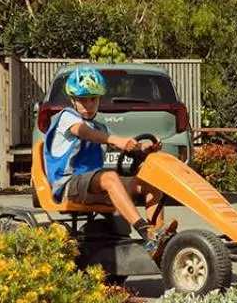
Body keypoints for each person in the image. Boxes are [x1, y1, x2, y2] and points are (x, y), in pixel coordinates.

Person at [42, 65, 176, 258]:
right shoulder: (67, 117)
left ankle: (158, 236)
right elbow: (84, 133)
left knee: (150, 182)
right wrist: (115, 140)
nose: (88, 105)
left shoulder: (99, 127)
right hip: (68, 185)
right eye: (82, 100)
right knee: (110, 177)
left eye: (93, 99)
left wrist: (144, 147)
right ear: (73, 100)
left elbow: (121, 144)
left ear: (99, 99)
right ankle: (145, 233)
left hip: (92, 185)